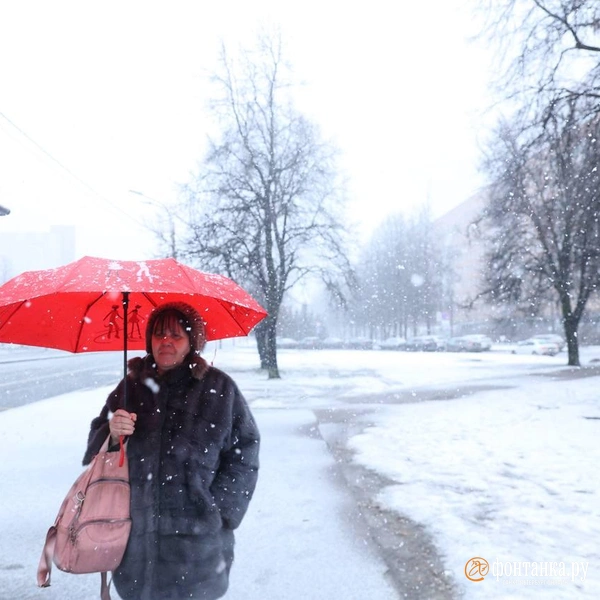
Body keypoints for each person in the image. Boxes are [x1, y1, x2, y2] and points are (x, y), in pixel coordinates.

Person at [83, 302, 260, 600]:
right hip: (134, 537)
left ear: (192, 342)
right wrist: (112, 431)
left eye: (176, 336)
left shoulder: (219, 388)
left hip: (197, 542)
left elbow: (245, 451)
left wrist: (220, 511)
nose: (165, 342)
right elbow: (95, 446)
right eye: (159, 334)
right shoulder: (131, 387)